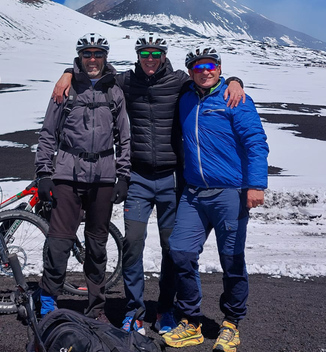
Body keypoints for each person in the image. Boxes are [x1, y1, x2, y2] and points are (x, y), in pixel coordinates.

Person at [52, 33, 245, 335]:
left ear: (164, 56)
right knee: (133, 244)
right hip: (139, 178)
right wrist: (67, 73)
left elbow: (206, 78)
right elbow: (95, 71)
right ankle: (134, 310)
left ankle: (166, 308)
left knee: (172, 248)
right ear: (138, 56)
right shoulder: (126, 81)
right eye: (145, 54)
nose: (151, 59)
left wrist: (234, 80)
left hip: (171, 178)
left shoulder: (180, 81)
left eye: (156, 54)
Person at [163, 45, 269, 352]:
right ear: (190, 72)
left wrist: (256, 184)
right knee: (180, 252)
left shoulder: (235, 99)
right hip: (194, 194)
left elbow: (256, 143)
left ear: (220, 69)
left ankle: (231, 324)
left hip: (229, 193)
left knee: (232, 259)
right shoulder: (185, 100)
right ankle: (191, 322)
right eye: (197, 67)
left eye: (210, 65)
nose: (205, 71)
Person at [35, 32, 132, 321]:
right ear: (79, 57)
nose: (93, 59)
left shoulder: (114, 91)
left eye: (98, 54)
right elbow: (48, 134)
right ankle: (48, 301)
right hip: (67, 175)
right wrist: (43, 173)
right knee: (58, 242)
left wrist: (123, 175)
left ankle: (96, 308)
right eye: (87, 54)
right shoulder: (65, 90)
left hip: (103, 177)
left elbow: (124, 137)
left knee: (97, 245)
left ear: (106, 57)